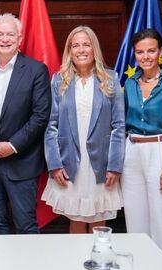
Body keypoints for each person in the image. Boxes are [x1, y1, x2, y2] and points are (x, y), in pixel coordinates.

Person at [0, 13, 51, 234]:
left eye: (10, 34)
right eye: (0, 34)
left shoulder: (36, 70)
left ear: (19, 38)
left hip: (20, 162)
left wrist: (11, 146)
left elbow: (40, 116)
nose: (5, 39)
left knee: (25, 225)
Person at [42, 26, 124, 233]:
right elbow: (50, 126)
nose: (81, 50)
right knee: (76, 220)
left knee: (99, 222)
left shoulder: (111, 79)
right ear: (69, 51)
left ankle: (98, 262)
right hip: (70, 163)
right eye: (75, 45)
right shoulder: (58, 81)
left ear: (94, 48)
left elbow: (118, 126)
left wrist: (114, 165)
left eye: (86, 44)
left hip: (101, 165)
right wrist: (54, 164)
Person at [121, 28, 162, 269]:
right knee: (135, 221)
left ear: (160, 52)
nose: (145, 56)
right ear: (134, 54)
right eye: (140, 51)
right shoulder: (129, 83)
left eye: (151, 50)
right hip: (132, 151)